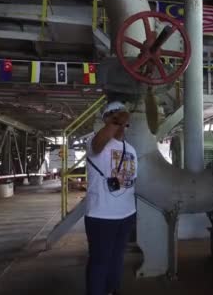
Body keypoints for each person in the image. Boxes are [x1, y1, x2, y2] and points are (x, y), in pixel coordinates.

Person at [85, 101, 137, 295]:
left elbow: (132, 181)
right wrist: (117, 121)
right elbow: (98, 146)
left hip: (126, 214)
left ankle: (112, 291)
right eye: (113, 115)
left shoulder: (131, 149)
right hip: (101, 216)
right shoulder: (93, 141)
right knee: (100, 261)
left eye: (121, 114)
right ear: (106, 119)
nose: (118, 117)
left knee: (116, 259)